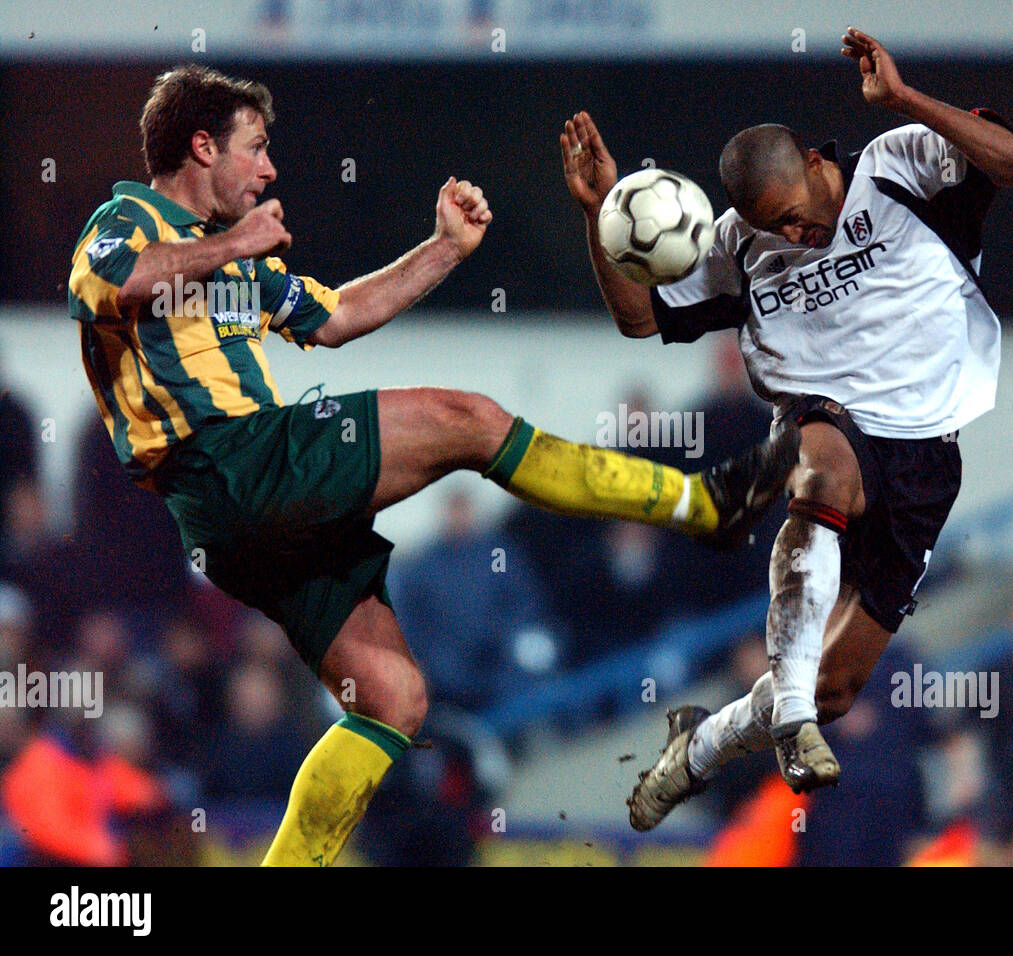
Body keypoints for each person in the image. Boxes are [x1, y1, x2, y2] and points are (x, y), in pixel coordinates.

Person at [67, 64, 798, 865]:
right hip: (225, 463)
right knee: (468, 421)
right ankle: (702, 503)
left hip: (246, 516)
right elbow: (115, 283)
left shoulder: (237, 266)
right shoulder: (127, 217)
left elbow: (340, 314)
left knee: (393, 701)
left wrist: (444, 250)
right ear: (202, 146)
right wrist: (235, 242)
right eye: (257, 147)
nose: (270, 167)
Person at [560, 28, 1013, 829]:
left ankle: (700, 746)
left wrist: (905, 97)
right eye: (770, 228)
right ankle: (787, 712)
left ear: (816, 165)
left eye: (796, 219)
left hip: (926, 455)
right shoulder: (741, 244)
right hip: (825, 425)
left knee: (839, 689)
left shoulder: (901, 165)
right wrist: (603, 219)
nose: (792, 239)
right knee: (825, 465)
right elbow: (640, 320)